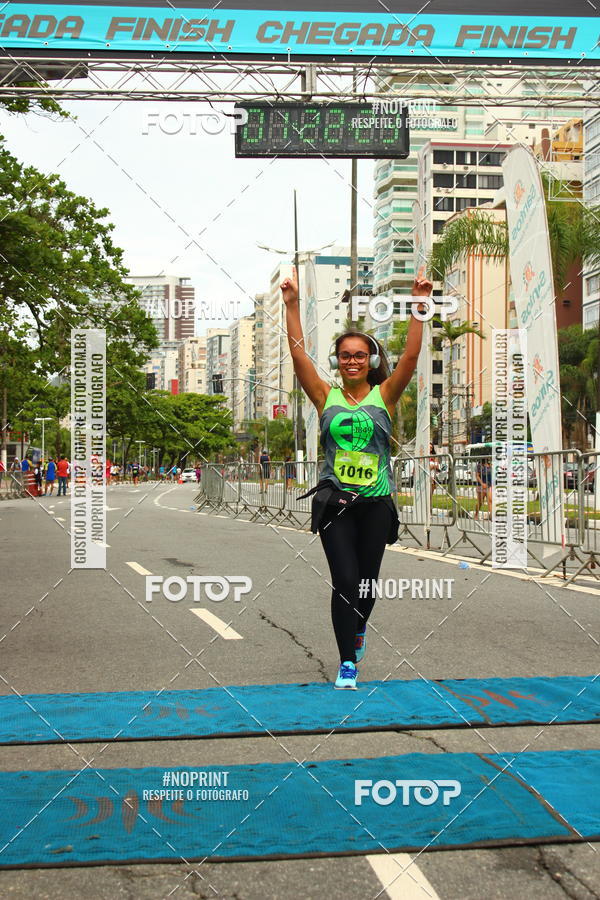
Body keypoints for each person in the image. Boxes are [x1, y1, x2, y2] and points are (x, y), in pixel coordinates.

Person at [281, 266, 431, 689]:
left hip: (376, 504)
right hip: (335, 502)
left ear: (372, 361)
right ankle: (347, 660)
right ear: (338, 361)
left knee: (366, 583)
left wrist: (420, 305)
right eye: (345, 355)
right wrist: (291, 304)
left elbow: (413, 358)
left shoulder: (385, 395)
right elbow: (297, 354)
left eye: (359, 355)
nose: (351, 361)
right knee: (344, 580)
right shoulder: (322, 394)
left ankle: (358, 628)